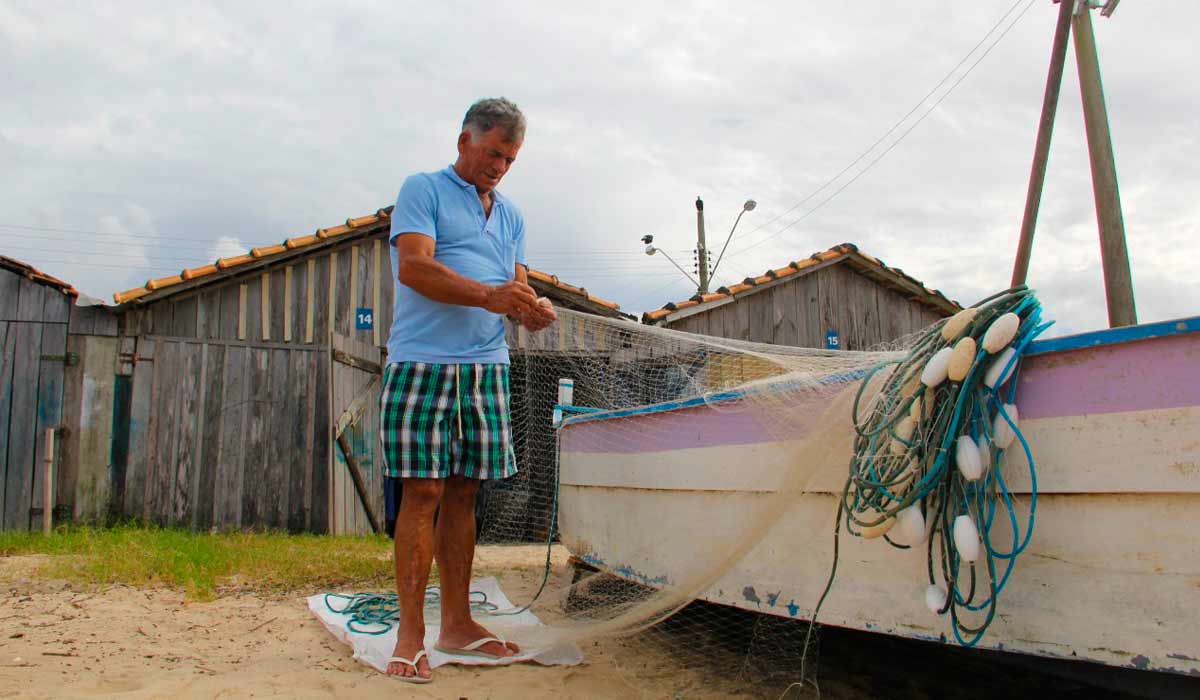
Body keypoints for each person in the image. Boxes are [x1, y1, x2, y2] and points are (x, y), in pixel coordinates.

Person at [380, 97, 556, 683]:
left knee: (463, 492)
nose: (500, 167)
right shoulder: (422, 189)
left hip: (485, 367)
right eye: (492, 153)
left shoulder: (511, 215)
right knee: (422, 491)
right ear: (464, 141)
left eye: (510, 158)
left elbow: (517, 285)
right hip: (422, 363)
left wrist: (533, 308)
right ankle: (411, 633)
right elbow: (414, 267)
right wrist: (488, 297)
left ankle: (456, 624)